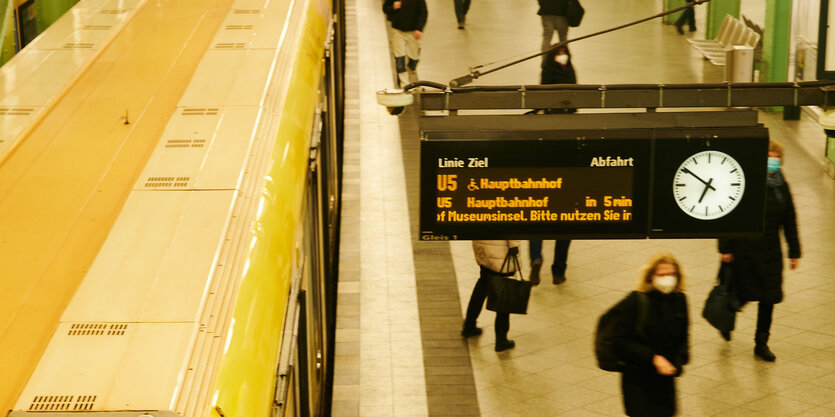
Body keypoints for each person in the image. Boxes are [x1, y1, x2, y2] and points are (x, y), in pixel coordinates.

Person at [718, 140, 800, 362]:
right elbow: (726, 213)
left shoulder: (782, 185)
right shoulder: (743, 182)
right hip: (744, 248)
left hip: (771, 250)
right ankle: (726, 317)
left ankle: (761, 342)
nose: (772, 161)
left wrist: (794, 250)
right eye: (769, 156)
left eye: (776, 157)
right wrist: (725, 247)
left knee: (769, 297)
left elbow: (789, 218)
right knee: (744, 293)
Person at [613, 253, 690, 417]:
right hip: (638, 378)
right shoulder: (636, 301)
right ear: (650, 277)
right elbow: (620, 340)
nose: (667, 279)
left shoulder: (680, 300)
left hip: (665, 380)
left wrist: (678, 361)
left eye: (671, 274)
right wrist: (653, 358)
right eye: (662, 275)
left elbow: (684, 336)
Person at [461, 240, 521, 352]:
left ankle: (469, 325)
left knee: (483, 284)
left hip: (483, 246)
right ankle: (501, 339)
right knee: (503, 293)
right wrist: (514, 244)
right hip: (500, 249)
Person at [383, 0, 428, 88]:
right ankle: (404, 85)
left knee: (414, 58)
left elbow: (424, 12)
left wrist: (419, 28)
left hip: (413, 31)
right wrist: (393, 7)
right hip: (397, 30)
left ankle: (411, 70)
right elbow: (385, 8)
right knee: (400, 58)